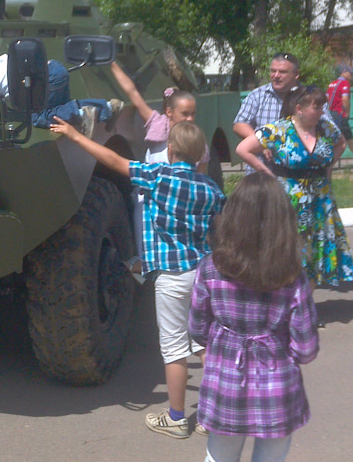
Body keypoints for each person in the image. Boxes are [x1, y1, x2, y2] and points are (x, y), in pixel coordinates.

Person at [49, 117, 224, 439]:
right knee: (203, 343)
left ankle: (176, 418)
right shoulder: (210, 189)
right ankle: (213, 416)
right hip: (203, 275)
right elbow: (218, 232)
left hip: (171, 278)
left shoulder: (158, 177)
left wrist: (74, 136)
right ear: (201, 154)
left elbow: (113, 160)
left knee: (174, 350)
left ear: (170, 149)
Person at [190, 173, 320, 462]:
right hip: (276, 386)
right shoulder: (292, 275)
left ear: (233, 216)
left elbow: (198, 328)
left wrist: (219, 343)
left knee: (219, 456)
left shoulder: (211, 268)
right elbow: (306, 348)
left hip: (225, 381)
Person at [235, 85, 353, 290]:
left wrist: (327, 167)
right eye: (316, 107)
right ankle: (286, 299)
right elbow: (243, 149)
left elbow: (341, 143)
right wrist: (267, 173)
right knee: (289, 249)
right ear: (299, 109)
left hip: (320, 200)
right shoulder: (278, 130)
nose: (321, 112)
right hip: (289, 201)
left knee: (316, 251)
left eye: (322, 107)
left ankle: (307, 302)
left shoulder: (325, 128)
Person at [110, 60, 209, 279]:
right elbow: (132, 93)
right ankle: (146, 265)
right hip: (149, 201)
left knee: (175, 255)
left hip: (178, 204)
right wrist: (113, 64)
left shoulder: (196, 141)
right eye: (185, 114)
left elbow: (201, 179)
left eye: (193, 114)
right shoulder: (157, 124)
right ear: (169, 112)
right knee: (148, 244)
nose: (190, 119)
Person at [0, 42, 118, 133]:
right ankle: (108, 107)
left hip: (45, 80)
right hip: (54, 68)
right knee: (61, 107)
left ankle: (82, 114)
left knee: (40, 116)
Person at [326, 64, 353, 158]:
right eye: (350, 73)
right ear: (343, 72)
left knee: (335, 138)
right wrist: (347, 113)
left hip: (330, 114)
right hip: (340, 114)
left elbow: (327, 98)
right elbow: (345, 99)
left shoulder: (331, 84)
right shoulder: (345, 83)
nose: (352, 75)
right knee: (347, 137)